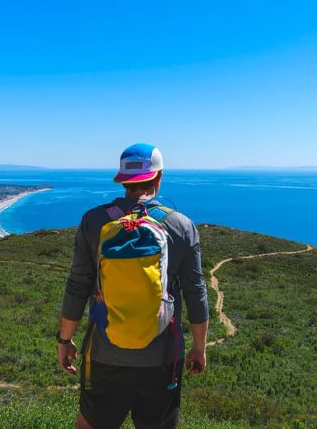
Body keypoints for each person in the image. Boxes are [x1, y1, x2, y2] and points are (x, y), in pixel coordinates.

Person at [57, 143, 209, 429]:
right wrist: (199, 348)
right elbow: (196, 293)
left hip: (105, 355)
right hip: (163, 360)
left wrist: (65, 340)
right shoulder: (181, 226)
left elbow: (77, 286)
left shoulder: (94, 221)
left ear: (123, 180)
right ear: (159, 177)